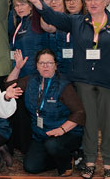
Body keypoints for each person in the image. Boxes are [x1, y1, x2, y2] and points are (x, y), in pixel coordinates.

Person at [21, 0, 110, 179]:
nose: (92, 3)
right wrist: (37, 3)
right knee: (88, 124)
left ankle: (108, 164)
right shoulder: (77, 22)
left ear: (104, 1)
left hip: (109, 82)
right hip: (84, 81)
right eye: (89, 0)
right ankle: (89, 162)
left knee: (109, 125)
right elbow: (53, 18)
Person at [7, 49, 85, 177]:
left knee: (53, 145)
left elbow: (79, 113)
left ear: (55, 65)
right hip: (41, 134)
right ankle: (60, 158)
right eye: (41, 63)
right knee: (30, 167)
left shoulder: (64, 85)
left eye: (49, 63)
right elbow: (10, 85)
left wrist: (62, 129)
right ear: (36, 66)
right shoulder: (31, 80)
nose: (45, 66)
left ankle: (66, 161)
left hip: (67, 133)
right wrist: (17, 68)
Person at [10, 0, 48, 78]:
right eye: (16, 5)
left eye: (22, 4)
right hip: (19, 70)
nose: (19, 8)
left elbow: (39, 1)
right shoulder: (17, 25)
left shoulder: (36, 22)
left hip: (35, 72)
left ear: (30, 6)